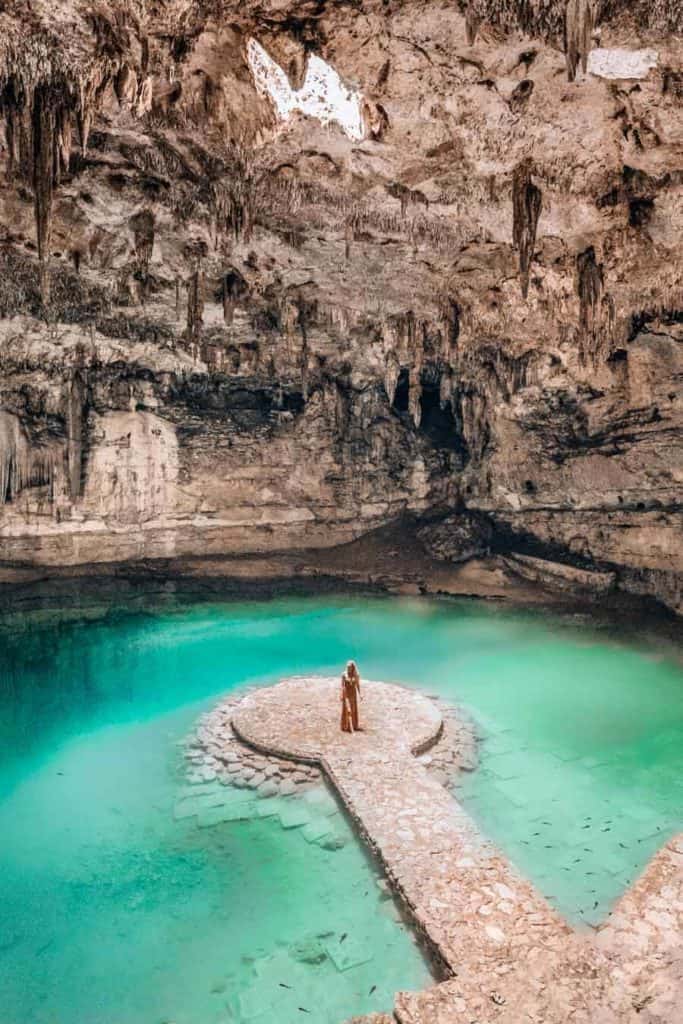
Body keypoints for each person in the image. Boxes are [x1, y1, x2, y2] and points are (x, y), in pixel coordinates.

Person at [340, 659, 361, 733]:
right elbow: (342, 686)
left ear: (353, 668)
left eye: (350, 667)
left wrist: (360, 694)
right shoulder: (344, 674)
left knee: (353, 709)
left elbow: (358, 685)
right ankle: (346, 726)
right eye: (347, 667)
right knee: (347, 710)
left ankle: (353, 726)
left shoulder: (356, 675)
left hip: (353, 694)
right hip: (346, 693)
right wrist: (341, 695)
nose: (348, 668)